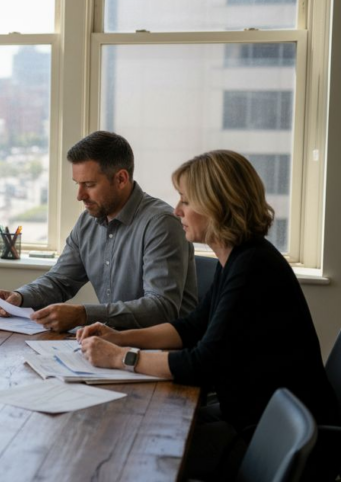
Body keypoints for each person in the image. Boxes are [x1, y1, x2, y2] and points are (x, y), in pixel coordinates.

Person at [78, 150, 340, 480]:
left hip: (264, 436)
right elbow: (191, 327)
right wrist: (118, 336)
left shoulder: (253, 267)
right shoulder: (238, 256)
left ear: (217, 205)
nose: (177, 211)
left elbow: (201, 364)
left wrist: (121, 358)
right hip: (250, 416)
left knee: (121, 451)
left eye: (186, 201)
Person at [0, 131, 198, 332]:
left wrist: (83, 315)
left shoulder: (161, 224)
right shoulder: (88, 221)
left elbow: (161, 308)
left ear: (121, 179)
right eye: (77, 184)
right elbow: (60, 280)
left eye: (89, 184)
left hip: (164, 352)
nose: (80, 195)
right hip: (111, 342)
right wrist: (20, 297)